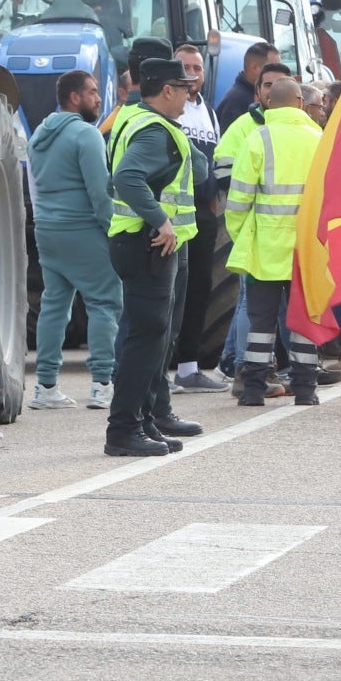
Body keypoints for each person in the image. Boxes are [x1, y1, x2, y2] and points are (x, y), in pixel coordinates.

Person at [107, 54, 209, 454]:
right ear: (167, 90)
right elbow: (127, 177)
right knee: (145, 340)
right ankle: (123, 430)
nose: (188, 94)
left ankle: (143, 422)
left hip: (137, 240)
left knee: (148, 338)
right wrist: (161, 219)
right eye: (184, 88)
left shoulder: (138, 121)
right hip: (148, 241)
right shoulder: (153, 130)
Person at [224, 78, 323, 405]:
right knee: (303, 321)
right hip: (306, 252)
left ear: (269, 103)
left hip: (265, 249)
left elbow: (237, 203)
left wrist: (245, 239)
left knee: (260, 324)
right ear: (299, 101)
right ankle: (306, 390)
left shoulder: (257, 140)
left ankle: (253, 390)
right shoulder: (319, 139)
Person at [28, 69, 122, 412]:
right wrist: (112, 229)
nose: (99, 99)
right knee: (104, 302)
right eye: (93, 92)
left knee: (54, 305)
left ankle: (45, 386)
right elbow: (100, 192)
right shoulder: (87, 135)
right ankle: (101, 384)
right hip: (82, 228)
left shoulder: (40, 133)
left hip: (47, 230)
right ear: (74, 97)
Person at [168, 41, 228, 394]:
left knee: (198, 290)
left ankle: (188, 368)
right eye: (185, 67)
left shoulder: (207, 110)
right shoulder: (169, 109)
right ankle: (161, 367)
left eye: (197, 68)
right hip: (173, 213)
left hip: (203, 215)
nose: (192, 73)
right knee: (170, 292)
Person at [216, 41, 279, 124]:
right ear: (255, 67)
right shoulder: (235, 102)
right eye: (273, 68)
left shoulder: (258, 94)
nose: (278, 72)